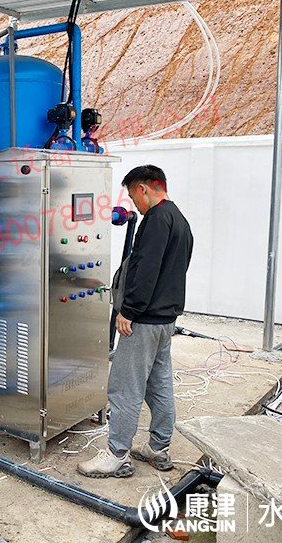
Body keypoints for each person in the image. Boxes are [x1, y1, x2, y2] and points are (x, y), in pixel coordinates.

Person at [78, 165, 193, 478]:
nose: (134, 204)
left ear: (144, 189)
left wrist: (129, 310)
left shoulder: (155, 220)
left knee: (124, 388)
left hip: (143, 320)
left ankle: (116, 455)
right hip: (165, 320)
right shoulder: (179, 219)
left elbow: (146, 270)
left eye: (132, 196)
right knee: (159, 384)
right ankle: (158, 448)